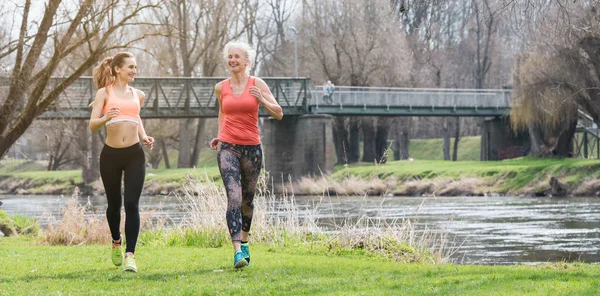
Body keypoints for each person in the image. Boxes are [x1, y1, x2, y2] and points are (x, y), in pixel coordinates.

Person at [209, 41, 283, 269]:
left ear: (247, 61)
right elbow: (222, 113)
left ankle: (245, 240)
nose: (232, 60)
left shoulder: (257, 84)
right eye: (229, 56)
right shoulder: (221, 87)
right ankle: (237, 251)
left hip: (252, 148)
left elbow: (279, 113)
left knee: (247, 200)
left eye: (237, 57)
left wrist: (262, 100)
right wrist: (220, 136)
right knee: (233, 195)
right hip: (228, 147)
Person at [89, 52, 154, 273]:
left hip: (135, 154)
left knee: (132, 204)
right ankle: (116, 240)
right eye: (131, 67)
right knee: (114, 205)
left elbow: (136, 118)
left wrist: (144, 136)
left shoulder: (139, 94)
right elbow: (92, 124)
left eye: (136, 67)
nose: (134, 71)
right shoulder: (104, 93)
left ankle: (130, 255)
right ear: (117, 69)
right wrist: (106, 118)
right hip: (111, 155)